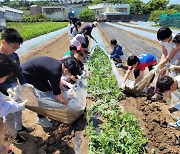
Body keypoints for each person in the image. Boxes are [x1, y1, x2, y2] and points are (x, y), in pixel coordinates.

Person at [21, 56, 80, 128]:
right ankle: (41, 119)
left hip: (36, 73)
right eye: (70, 74)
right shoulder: (55, 72)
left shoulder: (59, 65)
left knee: (48, 90)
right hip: (27, 74)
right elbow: (57, 93)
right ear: (66, 70)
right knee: (45, 96)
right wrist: (69, 104)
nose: (69, 76)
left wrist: (65, 92)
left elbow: (57, 83)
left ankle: (44, 114)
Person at [0, 28, 34, 144]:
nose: (15, 50)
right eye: (14, 47)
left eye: (17, 48)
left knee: (19, 108)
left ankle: (19, 127)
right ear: (4, 42)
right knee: (8, 114)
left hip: (15, 87)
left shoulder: (14, 56)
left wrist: (23, 82)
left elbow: (19, 70)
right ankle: (14, 135)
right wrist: (7, 89)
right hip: (4, 91)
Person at [0, 53, 27, 152]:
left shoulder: (11, 57)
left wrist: (6, 94)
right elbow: (3, 109)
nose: (6, 79)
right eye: (6, 77)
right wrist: (18, 106)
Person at [152, 27, 180, 100]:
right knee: (161, 75)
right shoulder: (163, 40)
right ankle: (158, 93)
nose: (163, 41)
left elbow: (172, 55)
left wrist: (173, 65)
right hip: (169, 59)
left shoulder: (176, 40)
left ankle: (168, 98)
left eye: (164, 40)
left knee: (171, 80)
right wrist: (160, 65)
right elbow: (164, 53)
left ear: (169, 36)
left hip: (177, 59)